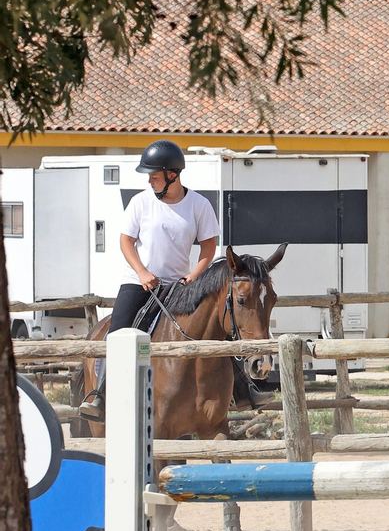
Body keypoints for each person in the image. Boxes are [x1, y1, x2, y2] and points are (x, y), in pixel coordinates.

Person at [78, 140, 269, 420]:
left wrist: (194, 275)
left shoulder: (199, 205)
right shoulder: (140, 202)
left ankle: (243, 390)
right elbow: (126, 241)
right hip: (139, 282)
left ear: (172, 175)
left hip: (181, 285)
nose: (149, 181)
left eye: (154, 176)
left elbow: (208, 247)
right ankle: (101, 395)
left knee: (216, 328)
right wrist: (142, 272)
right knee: (118, 331)